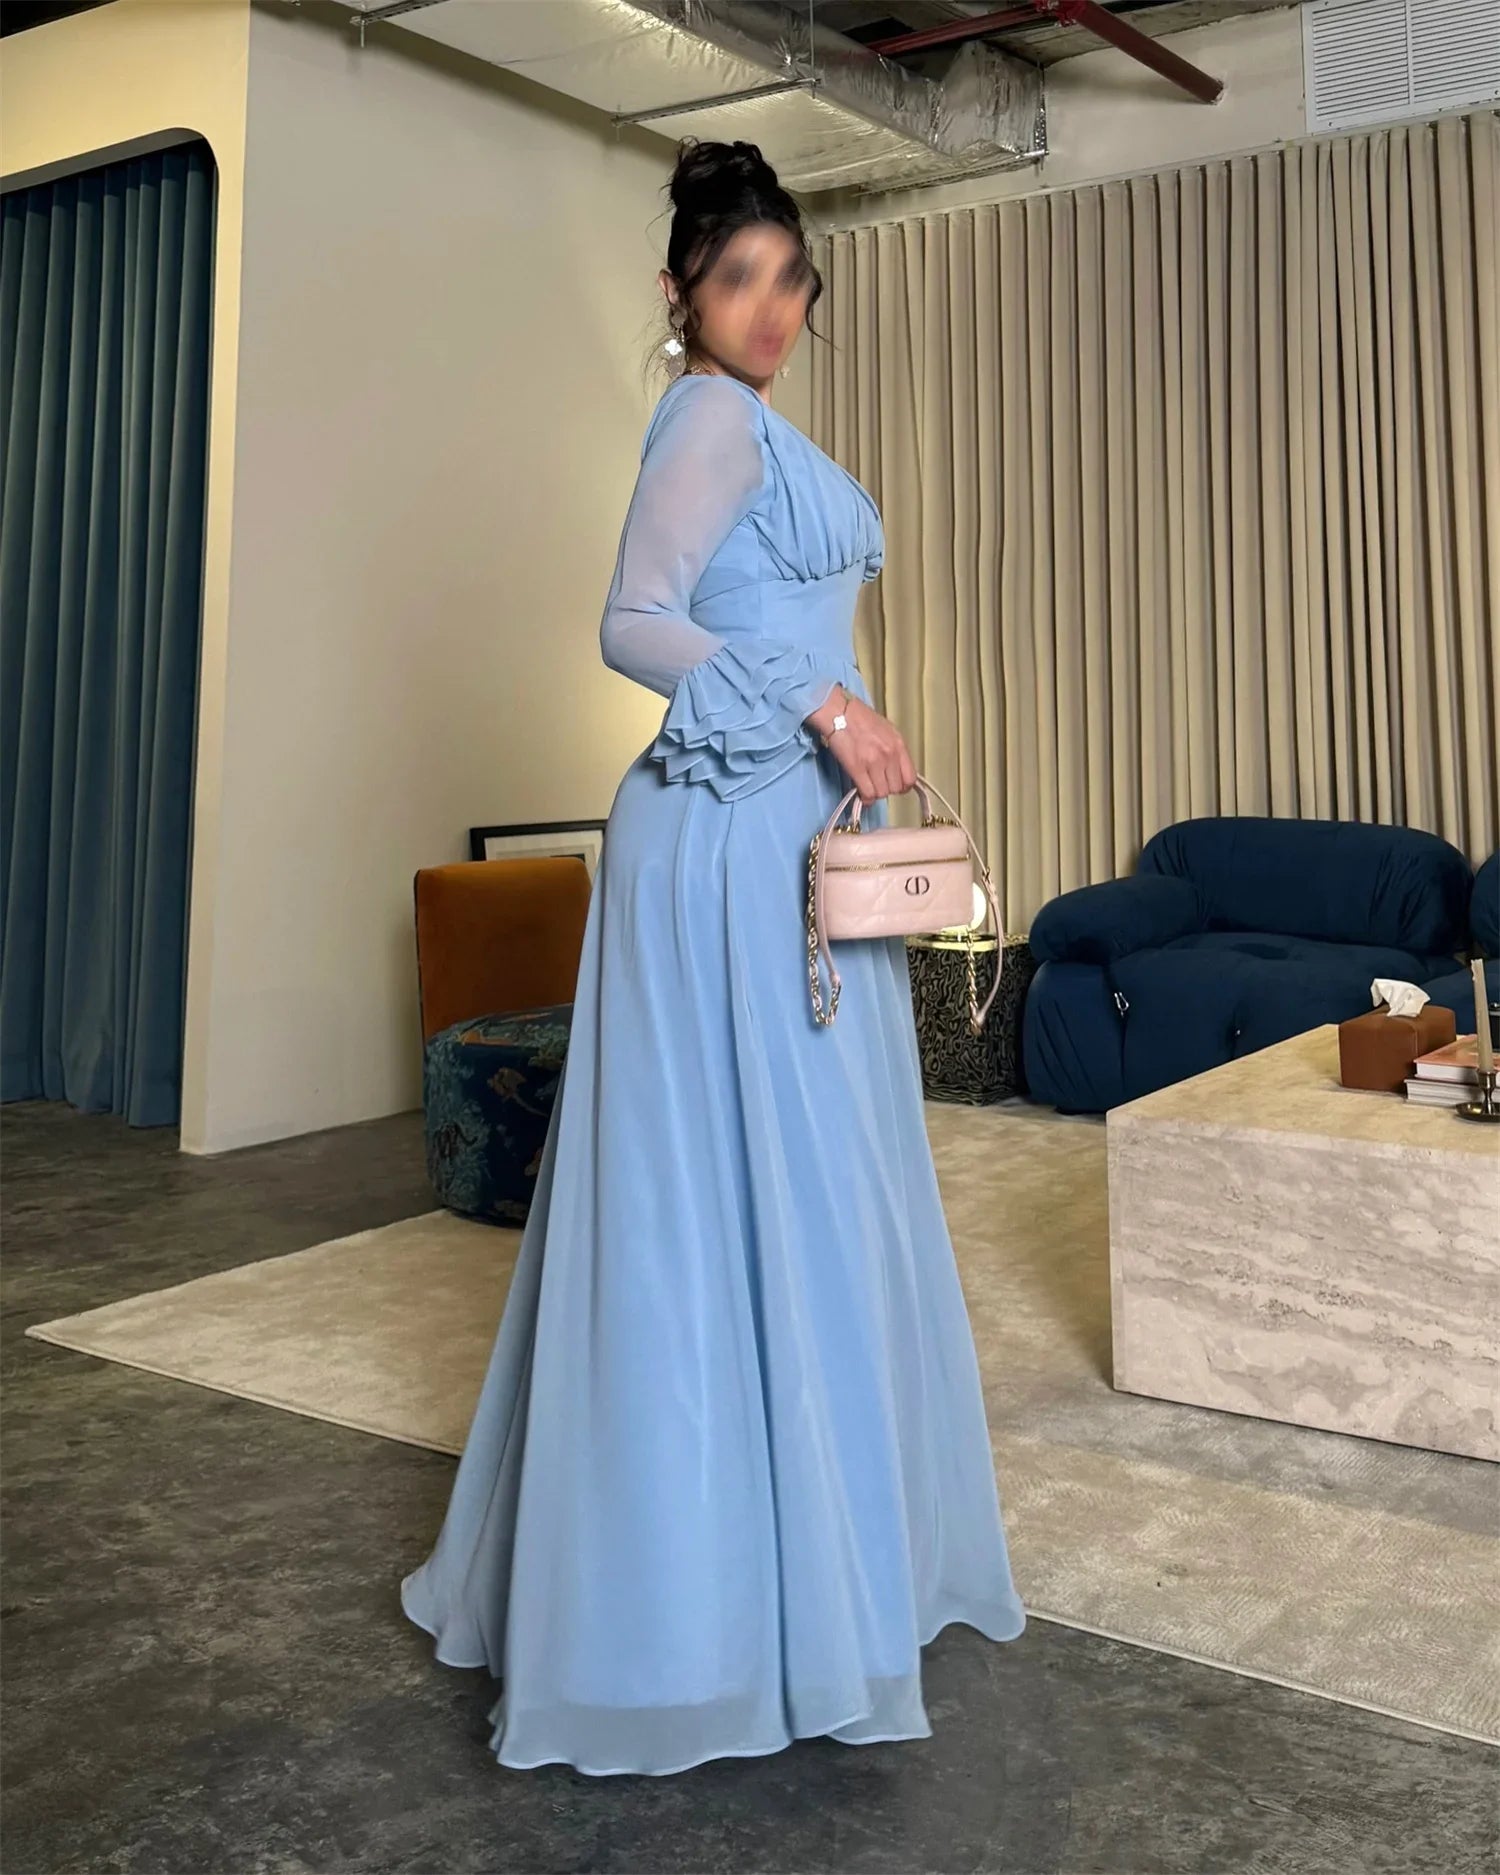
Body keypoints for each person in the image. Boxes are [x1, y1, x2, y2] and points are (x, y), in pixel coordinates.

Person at [400, 138, 1025, 1778]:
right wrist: (823, 701)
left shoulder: (759, 426)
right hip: (724, 841)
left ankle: (801, 1571)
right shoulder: (705, 417)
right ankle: (697, 1609)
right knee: (722, 1197)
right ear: (681, 294)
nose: (769, 307)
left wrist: (845, 724)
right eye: (737, 278)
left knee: (807, 1188)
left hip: (794, 848)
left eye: (790, 279)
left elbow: (763, 614)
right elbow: (634, 620)